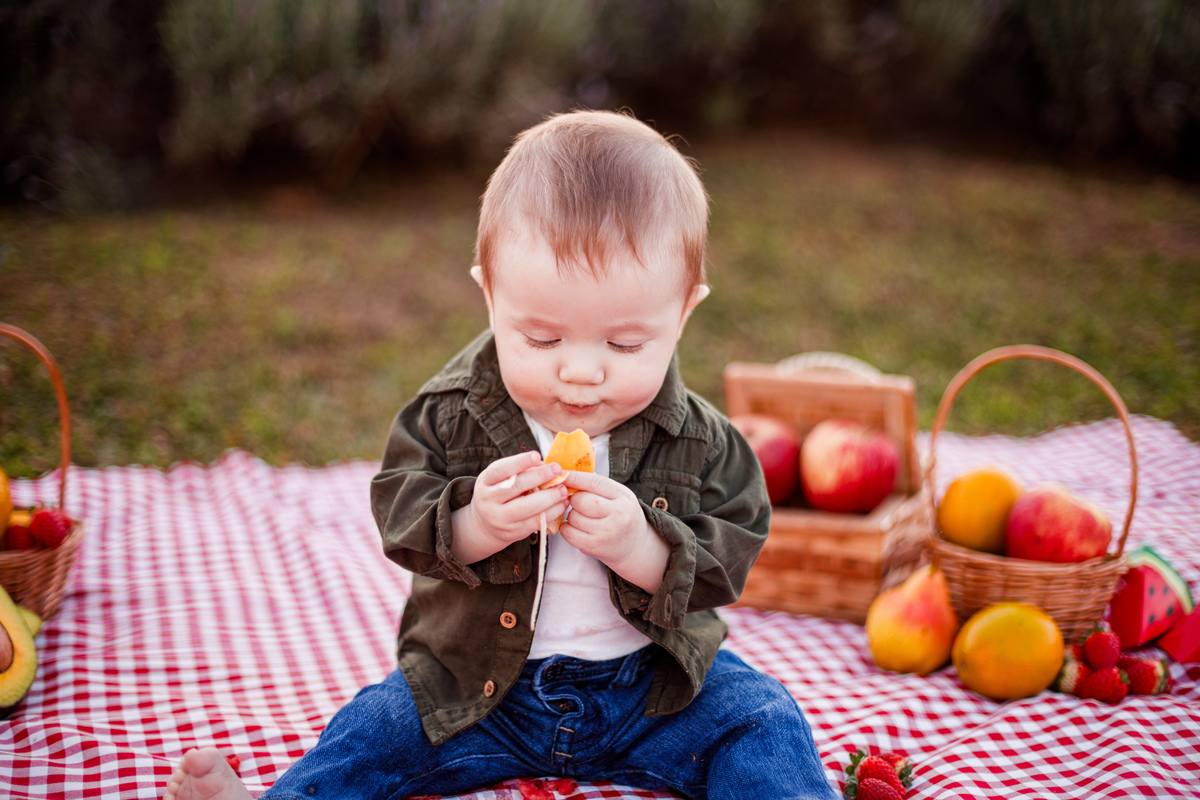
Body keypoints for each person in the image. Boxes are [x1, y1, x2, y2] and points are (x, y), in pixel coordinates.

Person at [163, 110, 837, 800]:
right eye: (542, 339)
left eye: (625, 345)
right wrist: (474, 524)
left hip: (653, 690)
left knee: (762, 717)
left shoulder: (700, 439)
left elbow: (735, 546)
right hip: (481, 691)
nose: (581, 372)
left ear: (684, 312)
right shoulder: (451, 416)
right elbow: (399, 507)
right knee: (376, 726)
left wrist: (645, 549)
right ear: (490, 294)